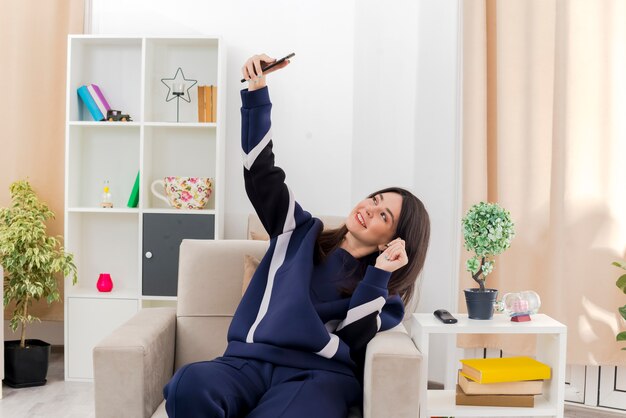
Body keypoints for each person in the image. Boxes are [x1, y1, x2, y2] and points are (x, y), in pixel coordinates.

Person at [163, 53, 431, 418]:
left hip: (318, 376)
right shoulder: (299, 230)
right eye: (374, 198)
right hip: (247, 362)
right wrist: (257, 92)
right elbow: (261, 173)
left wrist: (379, 275)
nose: (369, 207)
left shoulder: (385, 296)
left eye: (383, 214)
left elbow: (354, 338)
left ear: (392, 240)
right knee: (188, 384)